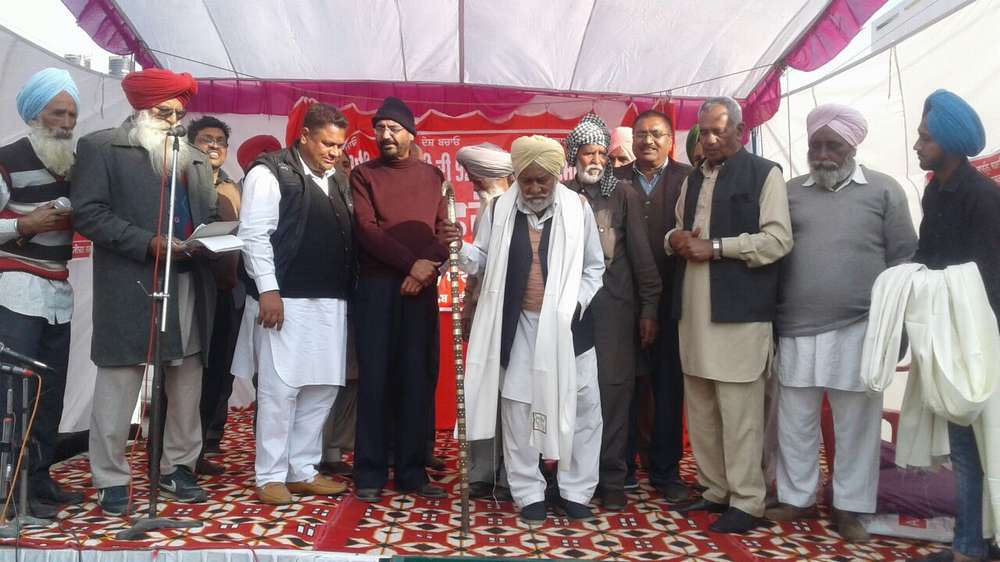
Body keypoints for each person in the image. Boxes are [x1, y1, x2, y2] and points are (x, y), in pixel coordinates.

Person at [766, 105, 917, 541]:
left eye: (832, 146)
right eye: (815, 145)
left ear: (853, 146)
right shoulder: (790, 192)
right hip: (796, 325)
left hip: (861, 327)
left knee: (856, 422)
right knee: (795, 419)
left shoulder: (884, 190)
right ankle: (797, 498)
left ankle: (849, 507)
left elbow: (905, 259)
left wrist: (898, 329)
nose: (822, 155)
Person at [73, 68, 217, 516]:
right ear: (140, 108)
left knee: (187, 378)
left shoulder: (194, 157)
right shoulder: (101, 147)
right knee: (120, 379)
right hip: (130, 280)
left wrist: (213, 237)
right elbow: (88, 214)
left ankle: (178, 467)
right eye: (164, 112)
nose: (174, 120)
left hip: (187, 278)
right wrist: (147, 243)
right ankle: (111, 477)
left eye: (178, 113)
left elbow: (207, 213)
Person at [441, 134, 605, 524]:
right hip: (518, 325)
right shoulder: (499, 209)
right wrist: (459, 247)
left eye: (541, 180)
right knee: (518, 408)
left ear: (556, 176)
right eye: (526, 180)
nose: (534, 189)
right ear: (515, 176)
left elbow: (594, 268)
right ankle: (528, 491)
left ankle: (575, 490)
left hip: (569, 328)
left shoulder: (578, 208)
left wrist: (571, 308)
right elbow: (481, 260)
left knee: (582, 408)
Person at [666, 97, 793, 534]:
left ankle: (747, 501)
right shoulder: (693, 178)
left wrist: (718, 248)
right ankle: (715, 490)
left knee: (740, 414)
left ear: (741, 132)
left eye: (718, 131)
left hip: (740, 314)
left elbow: (778, 240)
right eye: (704, 132)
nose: (709, 139)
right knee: (702, 409)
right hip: (693, 313)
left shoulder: (765, 173)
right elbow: (677, 228)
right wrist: (674, 239)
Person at [232, 102, 353, 505]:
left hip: (331, 300)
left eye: (339, 145)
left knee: (323, 387)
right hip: (285, 300)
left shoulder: (337, 179)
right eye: (327, 143)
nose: (334, 151)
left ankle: (302, 469)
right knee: (280, 389)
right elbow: (254, 235)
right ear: (304, 137)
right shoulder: (269, 172)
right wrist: (268, 289)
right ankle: (269, 474)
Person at [905, 91, 999, 562]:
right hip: (948, 333)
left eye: (925, 138)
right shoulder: (933, 191)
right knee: (964, 446)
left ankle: (972, 547)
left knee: (981, 446)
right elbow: (927, 257)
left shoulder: (984, 198)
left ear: (950, 143)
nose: (917, 146)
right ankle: (970, 544)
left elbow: (989, 277)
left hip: (979, 338)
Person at [350, 97, 448, 502]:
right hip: (377, 291)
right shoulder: (363, 175)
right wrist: (413, 265)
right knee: (375, 379)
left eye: (393, 128)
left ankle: (412, 472)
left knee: (416, 378)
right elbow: (367, 230)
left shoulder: (433, 177)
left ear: (411, 134)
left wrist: (427, 269)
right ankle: (370, 473)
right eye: (380, 128)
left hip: (420, 292)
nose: (385, 135)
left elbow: (444, 232)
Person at [563, 114, 661, 511]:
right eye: (589, 153)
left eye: (602, 153)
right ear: (574, 155)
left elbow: (641, 257)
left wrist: (649, 308)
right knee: (571, 394)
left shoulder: (623, 195)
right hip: (569, 313)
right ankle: (571, 476)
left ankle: (612, 478)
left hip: (614, 312)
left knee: (614, 393)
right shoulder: (561, 194)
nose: (597, 160)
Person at [0, 68, 84, 518]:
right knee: (15, 394)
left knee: (50, 392)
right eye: (57, 113)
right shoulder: (8, 158)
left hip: (58, 290)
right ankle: (10, 491)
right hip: (16, 289)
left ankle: (38, 479)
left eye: (71, 114)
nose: (66, 123)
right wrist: (23, 224)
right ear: (35, 115)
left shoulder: (76, 163)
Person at [613, 110, 692, 502]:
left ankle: (665, 470)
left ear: (670, 140)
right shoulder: (614, 179)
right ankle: (622, 467)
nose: (648, 141)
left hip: (676, 300)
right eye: (641, 134)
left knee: (668, 386)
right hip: (622, 301)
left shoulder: (689, 179)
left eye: (656, 134)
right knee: (624, 386)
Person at [455, 142, 516, 501]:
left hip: (521, 314)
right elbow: (478, 264)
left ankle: (513, 472)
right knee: (484, 390)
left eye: (477, 176)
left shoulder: (522, 207)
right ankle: (482, 471)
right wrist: (468, 303)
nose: (473, 183)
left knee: (515, 392)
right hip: (487, 312)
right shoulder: (489, 209)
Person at [187, 115, 241, 476]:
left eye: (220, 141)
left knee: (219, 373)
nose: (214, 146)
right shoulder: (179, 182)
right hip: (191, 288)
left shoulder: (233, 187)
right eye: (207, 139)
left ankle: (201, 445)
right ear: (192, 144)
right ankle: (173, 451)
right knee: (186, 373)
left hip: (228, 292)